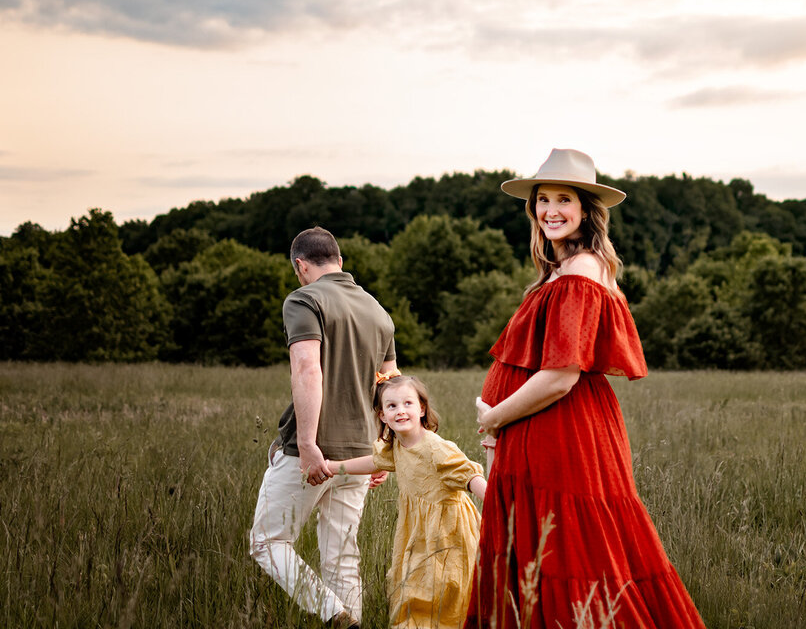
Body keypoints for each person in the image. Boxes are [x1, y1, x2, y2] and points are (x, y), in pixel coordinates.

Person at [466, 149, 706, 628]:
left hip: (562, 434)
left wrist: (494, 417)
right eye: (543, 200)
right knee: (547, 554)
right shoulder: (561, 270)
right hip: (540, 434)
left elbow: (560, 377)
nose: (551, 210)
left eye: (564, 200)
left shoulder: (579, 273)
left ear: (586, 210)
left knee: (575, 554)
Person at [249, 227, 398, 629]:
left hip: (313, 451)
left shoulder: (304, 298)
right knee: (342, 557)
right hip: (361, 454)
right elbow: (392, 385)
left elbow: (307, 368)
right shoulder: (377, 310)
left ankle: (333, 614)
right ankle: (347, 619)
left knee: (267, 543)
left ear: (301, 265)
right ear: (340, 262)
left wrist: (307, 443)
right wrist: (384, 447)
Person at [326, 373, 487, 629]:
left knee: (445, 589)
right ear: (382, 416)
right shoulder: (396, 447)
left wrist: (494, 502)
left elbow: (470, 476)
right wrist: (333, 467)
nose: (400, 411)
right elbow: (373, 462)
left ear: (422, 409)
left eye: (408, 404)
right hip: (416, 533)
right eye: (392, 406)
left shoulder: (436, 448)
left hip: (448, 534)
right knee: (412, 587)